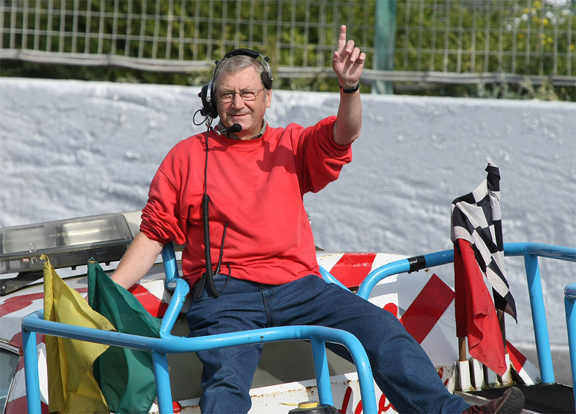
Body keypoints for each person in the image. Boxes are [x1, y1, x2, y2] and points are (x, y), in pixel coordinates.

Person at [111, 25, 525, 414]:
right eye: (226, 95)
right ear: (210, 100)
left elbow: (343, 134)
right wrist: (106, 294)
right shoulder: (186, 155)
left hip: (300, 287)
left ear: (268, 97)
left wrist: (349, 87)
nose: (237, 103)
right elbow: (153, 234)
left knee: (381, 331)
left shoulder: (290, 143)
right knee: (225, 380)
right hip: (225, 297)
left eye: (248, 93)